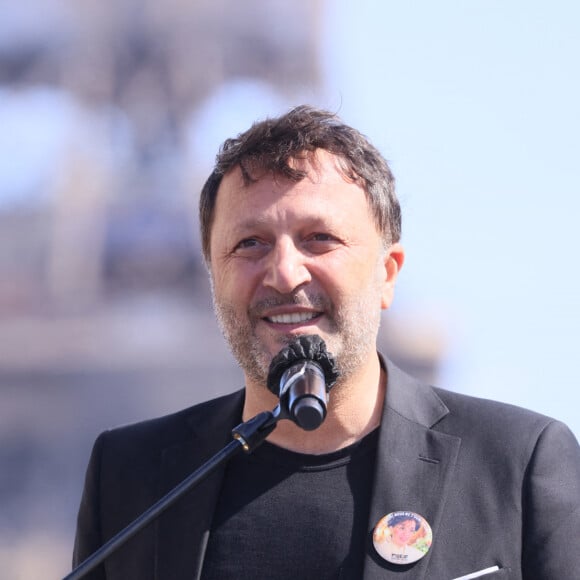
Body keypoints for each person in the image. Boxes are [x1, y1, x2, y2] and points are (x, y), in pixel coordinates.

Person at [73, 105, 580, 579]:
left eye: (320, 239)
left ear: (387, 274)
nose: (284, 273)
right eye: (250, 243)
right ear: (213, 277)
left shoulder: (519, 466)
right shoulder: (129, 479)